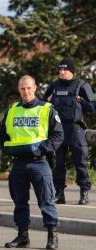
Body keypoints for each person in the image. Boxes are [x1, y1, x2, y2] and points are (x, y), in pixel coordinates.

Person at [0, 75, 63, 250]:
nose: (26, 91)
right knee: (20, 201)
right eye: (22, 89)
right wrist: (8, 149)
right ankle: (22, 236)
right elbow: (3, 136)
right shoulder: (12, 110)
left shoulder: (47, 109)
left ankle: (52, 235)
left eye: (28, 88)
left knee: (46, 200)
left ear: (35, 88)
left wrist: (42, 150)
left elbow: (58, 136)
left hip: (39, 162)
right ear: (18, 90)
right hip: (18, 163)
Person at [43, 58, 95, 205]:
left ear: (71, 70)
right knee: (57, 163)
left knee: (80, 161)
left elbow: (92, 108)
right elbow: (41, 104)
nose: (61, 71)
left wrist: (82, 102)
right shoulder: (54, 86)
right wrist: (47, 100)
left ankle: (84, 192)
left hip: (75, 129)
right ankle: (59, 193)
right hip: (57, 130)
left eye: (64, 69)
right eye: (60, 69)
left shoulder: (81, 85)